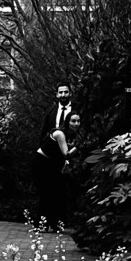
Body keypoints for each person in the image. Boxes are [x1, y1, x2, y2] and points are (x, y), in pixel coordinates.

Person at [32, 83, 80, 230]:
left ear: (70, 93)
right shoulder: (53, 117)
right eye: (61, 92)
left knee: (59, 192)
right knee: (47, 192)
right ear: (57, 94)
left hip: (57, 161)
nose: (76, 124)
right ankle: (42, 224)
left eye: (66, 92)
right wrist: (80, 147)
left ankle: (55, 223)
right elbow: (65, 152)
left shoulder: (76, 112)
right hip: (45, 161)